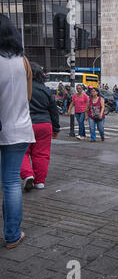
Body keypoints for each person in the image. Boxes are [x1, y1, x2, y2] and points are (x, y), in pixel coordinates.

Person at [0, 14, 35, 249]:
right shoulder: (23, 61)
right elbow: (28, 97)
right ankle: (12, 236)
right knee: (11, 182)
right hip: (20, 128)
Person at [20, 62, 60, 191]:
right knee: (42, 154)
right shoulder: (46, 90)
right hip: (44, 125)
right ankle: (40, 182)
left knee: (22, 152)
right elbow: (54, 110)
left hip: (26, 123)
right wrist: (56, 128)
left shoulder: (22, 87)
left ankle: (27, 175)